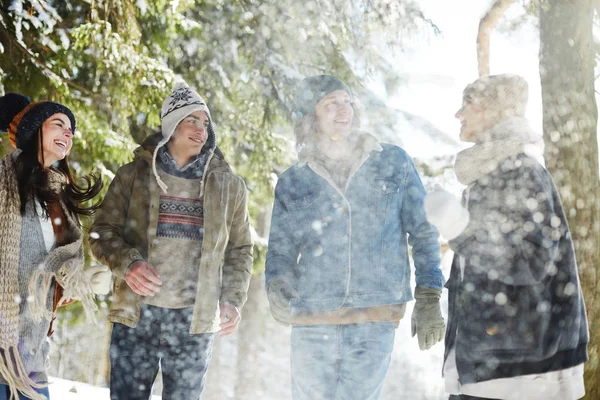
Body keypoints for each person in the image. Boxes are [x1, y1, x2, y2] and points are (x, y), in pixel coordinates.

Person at [265, 74, 445, 400]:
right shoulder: (294, 180)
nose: (343, 110)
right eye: (330, 104)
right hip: (311, 320)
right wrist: (276, 285)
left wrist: (429, 295)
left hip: (373, 318)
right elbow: (280, 250)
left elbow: (423, 231)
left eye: (346, 101)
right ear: (311, 117)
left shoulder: (392, 162)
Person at [424, 74, 589, 400]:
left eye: (468, 104)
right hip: (492, 366)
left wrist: (459, 228)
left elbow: (529, 262)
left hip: (519, 372)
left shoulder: (521, 172)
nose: (458, 114)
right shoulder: (492, 174)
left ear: (496, 112)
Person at [89, 83, 253, 400]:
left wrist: (232, 298)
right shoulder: (132, 175)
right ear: (171, 126)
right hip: (137, 316)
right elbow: (101, 232)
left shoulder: (229, 186)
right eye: (192, 120)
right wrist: (128, 263)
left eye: (206, 122)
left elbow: (240, 250)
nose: (201, 129)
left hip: (195, 322)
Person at [0, 93, 107, 400]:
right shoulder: (3, 182)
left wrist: (80, 280)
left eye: (70, 129)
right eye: (58, 124)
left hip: (32, 351)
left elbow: (51, 269)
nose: (68, 133)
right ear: (34, 131)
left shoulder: (60, 198)